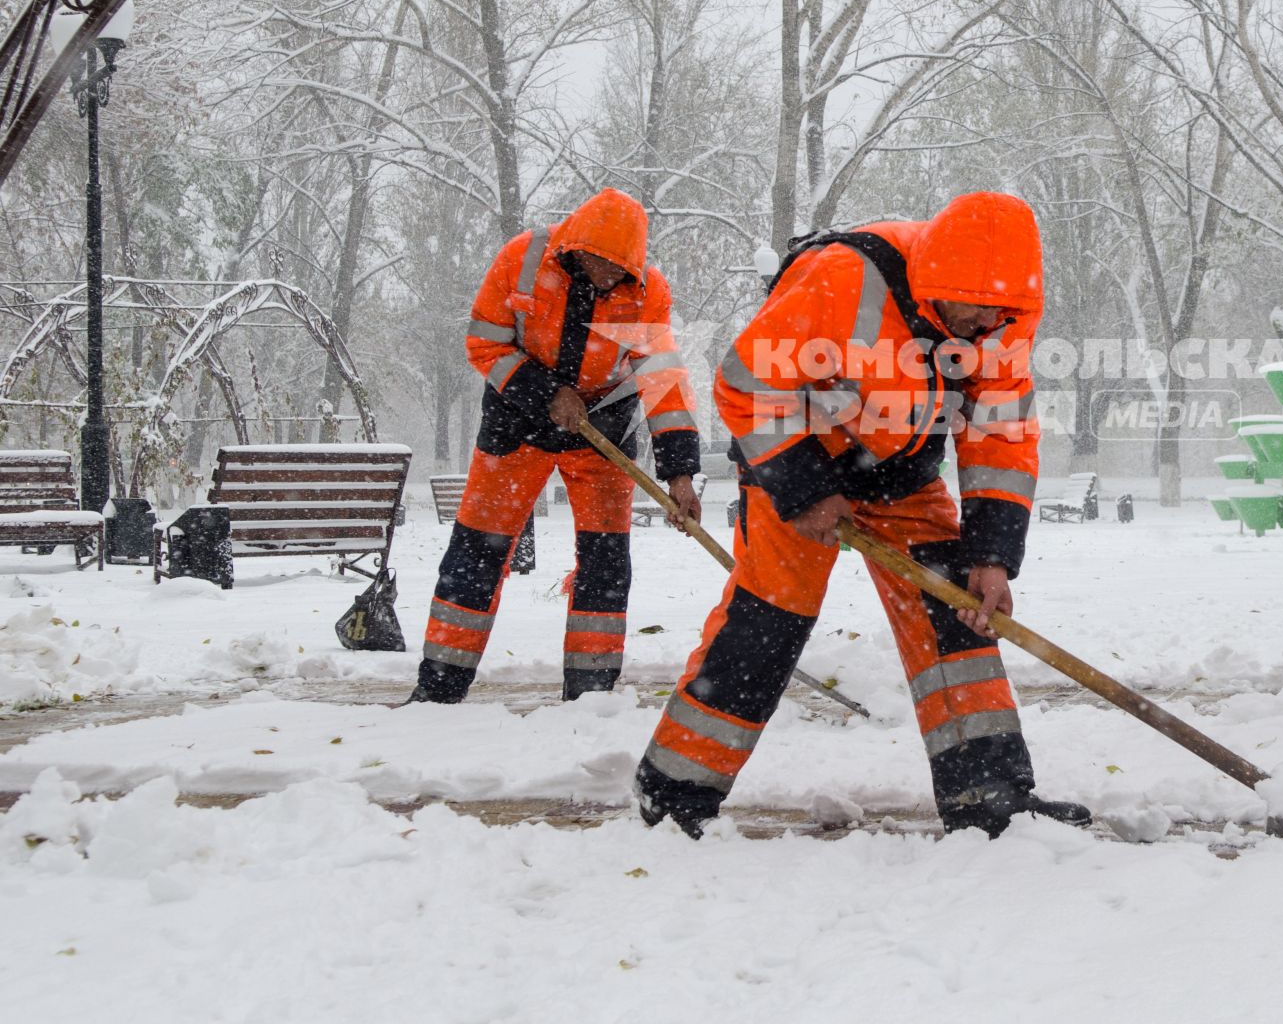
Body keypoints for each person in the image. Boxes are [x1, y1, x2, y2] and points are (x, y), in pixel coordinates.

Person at [634, 191, 1089, 838]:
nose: (981, 323)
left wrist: (991, 554)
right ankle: (675, 791)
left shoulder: (1003, 317)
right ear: (931, 283)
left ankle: (987, 798)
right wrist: (804, 487)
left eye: (997, 312)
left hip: (900, 471)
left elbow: (1001, 434)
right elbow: (746, 381)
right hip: (796, 453)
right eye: (969, 307)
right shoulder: (842, 279)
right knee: (771, 616)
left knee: (957, 611)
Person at [408, 188, 702, 704]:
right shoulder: (522, 260)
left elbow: (663, 383)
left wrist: (680, 473)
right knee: (477, 552)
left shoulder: (645, 291)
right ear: (574, 249)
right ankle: (439, 689)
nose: (609, 277)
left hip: (602, 433)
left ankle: (591, 696)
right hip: (514, 425)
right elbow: (484, 343)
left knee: (605, 561)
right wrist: (546, 392)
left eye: (620, 269)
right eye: (599, 264)